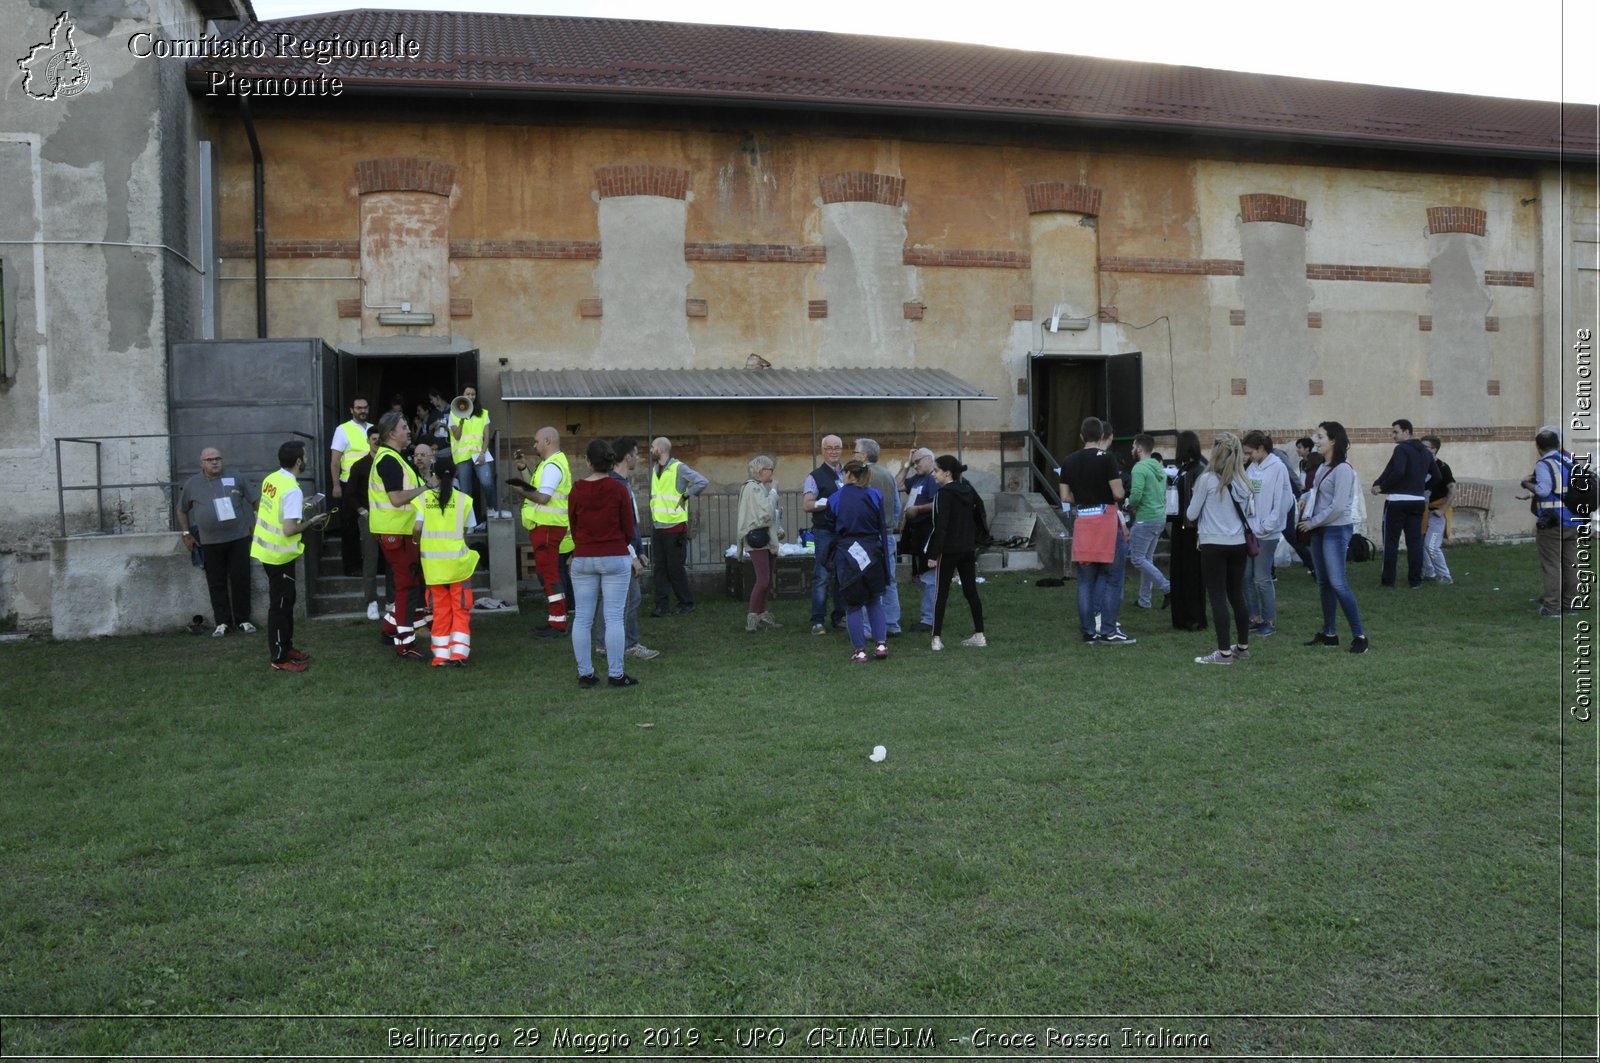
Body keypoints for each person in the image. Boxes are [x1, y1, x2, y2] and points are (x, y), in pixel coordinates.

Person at [569, 438, 640, 688]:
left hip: (584, 556)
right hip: (614, 555)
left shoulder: (577, 489)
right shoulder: (619, 489)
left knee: (582, 618)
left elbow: (574, 525)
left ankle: (585, 674)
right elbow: (628, 527)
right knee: (614, 618)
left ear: (588, 462)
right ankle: (616, 674)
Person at [250, 440, 327, 672]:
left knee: (286, 602)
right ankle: (280, 657)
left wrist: (299, 505)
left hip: (267, 551)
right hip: (279, 555)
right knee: (281, 607)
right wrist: (311, 521)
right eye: (306, 455)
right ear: (299, 461)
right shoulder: (292, 489)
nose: (308, 459)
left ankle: (286, 646)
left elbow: (276, 509)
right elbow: (290, 529)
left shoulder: (272, 479)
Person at [1060, 416, 1133, 644]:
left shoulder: (1069, 461)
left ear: (1081, 436)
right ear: (1101, 436)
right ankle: (1109, 630)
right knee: (1112, 578)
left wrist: (1082, 497)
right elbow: (1119, 493)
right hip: (1105, 520)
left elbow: (1064, 496)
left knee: (1085, 580)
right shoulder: (1107, 459)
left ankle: (1088, 631)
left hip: (1083, 519)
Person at [1185, 432, 1256, 665]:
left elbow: (1191, 514)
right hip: (1238, 545)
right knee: (1237, 594)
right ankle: (1242, 647)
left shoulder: (1207, 480)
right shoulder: (1244, 480)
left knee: (1217, 596)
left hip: (1213, 544)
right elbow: (1250, 514)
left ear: (1215, 451)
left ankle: (1224, 653)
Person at [1298, 420, 1369, 653]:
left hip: (1335, 529)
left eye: (1319, 437)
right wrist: (1305, 499)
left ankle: (1360, 636)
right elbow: (1318, 493)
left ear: (1333, 441)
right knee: (1324, 582)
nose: (1314, 441)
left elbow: (1338, 507)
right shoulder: (1323, 466)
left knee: (1338, 583)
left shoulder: (1343, 469)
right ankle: (1330, 633)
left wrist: (1312, 523)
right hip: (1319, 529)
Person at [177, 446, 258, 637]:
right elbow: (181, 509)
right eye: (210, 459)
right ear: (202, 463)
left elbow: (255, 499)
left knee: (241, 579)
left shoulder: (236, 477)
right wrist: (187, 533)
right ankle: (222, 622)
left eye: (218, 458)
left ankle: (243, 620)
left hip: (238, 538)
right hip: (210, 542)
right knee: (216, 582)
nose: (214, 462)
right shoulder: (192, 484)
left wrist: (257, 524)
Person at [368, 411, 430, 660]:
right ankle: (404, 643)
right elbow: (396, 498)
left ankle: (390, 629)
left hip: (397, 531)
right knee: (406, 586)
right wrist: (426, 486)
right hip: (395, 531)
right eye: (404, 427)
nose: (408, 431)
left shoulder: (394, 458)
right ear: (392, 433)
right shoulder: (389, 460)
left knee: (409, 583)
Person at [595, 437, 660, 661]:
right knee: (631, 598)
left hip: (626, 549)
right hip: (621, 552)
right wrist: (632, 554)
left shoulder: (622, 483)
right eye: (636, 453)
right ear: (628, 457)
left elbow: (632, 521)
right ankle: (629, 644)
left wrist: (640, 549)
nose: (639, 458)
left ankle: (604, 644)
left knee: (612, 599)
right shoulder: (616, 485)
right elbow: (618, 525)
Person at [512, 426, 575, 638]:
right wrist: (522, 471)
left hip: (548, 527)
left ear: (548, 441)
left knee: (550, 574)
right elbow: (538, 489)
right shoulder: (551, 464)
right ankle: (556, 619)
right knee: (548, 574)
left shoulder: (552, 466)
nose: (534, 445)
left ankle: (558, 624)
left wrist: (519, 490)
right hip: (546, 526)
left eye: (536, 441)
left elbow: (542, 497)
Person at [418, 455, 478, 667]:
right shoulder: (465, 500)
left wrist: (421, 541)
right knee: (460, 610)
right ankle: (459, 654)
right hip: (458, 567)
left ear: (434, 475)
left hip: (434, 569)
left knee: (440, 612)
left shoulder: (423, 499)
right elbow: (466, 531)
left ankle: (441, 656)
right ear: (456, 474)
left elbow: (417, 528)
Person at [924, 455, 988, 651]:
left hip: (949, 550)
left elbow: (941, 526)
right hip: (967, 548)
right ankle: (980, 635)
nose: (933, 474)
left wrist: (934, 554)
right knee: (971, 592)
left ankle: (936, 638)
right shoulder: (967, 489)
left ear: (947, 473)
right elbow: (981, 510)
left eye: (936, 471)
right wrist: (978, 538)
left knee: (941, 592)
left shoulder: (943, 494)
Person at [829, 459, 891, 662]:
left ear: (847, 474)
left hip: (847, 554)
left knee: (853, 605)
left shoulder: (835, 498)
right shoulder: (875, 495)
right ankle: (881, 644)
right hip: (872, 552)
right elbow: (881, 524)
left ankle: (860, 650)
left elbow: (832, 527)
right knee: (874, 600)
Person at [1521, 426, 1583, 617]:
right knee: (1571, 563)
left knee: (1552, 564)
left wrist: (1526, 483)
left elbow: (1543, 490)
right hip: (1573, 520)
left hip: (1553, 522)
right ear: (1558, 444)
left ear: (1538, 447)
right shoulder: (1569, 461)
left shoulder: (1544, 464)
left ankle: (1552, 606)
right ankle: (1571, 604)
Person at [1371, 418, 1437, 589]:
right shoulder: (1425, 452)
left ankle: (1388, 581)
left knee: (1391, 541)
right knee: (1414, 541)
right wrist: (1420, 488)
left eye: (1395, 432)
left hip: (1397, 501)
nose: (1392, 435)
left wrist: (1382, 487)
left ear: (1407, 432)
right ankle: (1415, 581)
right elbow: (1437, 476)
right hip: (1417, 502)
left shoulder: (1401, 449)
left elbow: (1397, 471)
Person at [1241, 429, 1295, 637]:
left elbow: (1283, 500)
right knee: (1246, 576)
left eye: (1249, 452)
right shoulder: (1253, 467)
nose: (1247, 457)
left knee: (1261, 578)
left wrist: (1268, 525)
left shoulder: (1277, 468)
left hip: (1266, 532)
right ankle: (1254, 617)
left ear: (1261, 449)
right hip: (1250, 530)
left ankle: (1269, 619)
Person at [647, 436, 709, 616]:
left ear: (661, 449)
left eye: (652, 447)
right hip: (658, 526)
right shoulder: (654, 469)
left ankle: (686, 602)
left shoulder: (678, 468)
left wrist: (687, 495)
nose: (650, 450)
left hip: (675, 527)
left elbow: (702, 481)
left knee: (675, 568)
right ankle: (661, 606)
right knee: (659, 568)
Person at [855, 438, 903, 635]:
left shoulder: (861, 475)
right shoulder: (888, 475)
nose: (854, 456)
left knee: (867, 580)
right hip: (888, 534)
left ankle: (869, 627)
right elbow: (897, 505)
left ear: (864, 456)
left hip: (867, 536)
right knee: (889, 580)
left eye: (856, 452)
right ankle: (892, 624)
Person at [803, 434, 847, 634]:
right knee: (822, 575)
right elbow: (807, 505)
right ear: (822, 451)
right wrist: (829, 502)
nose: (833, 451)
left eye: (836, 447)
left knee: (843, 575)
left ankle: (840, 616)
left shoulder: (849, 473)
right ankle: (817, 621)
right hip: (824, 532)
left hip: (845, 531)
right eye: (829, 448)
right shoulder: (814, 476)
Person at [1125, 434, 1171, 610]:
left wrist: (1129, 505)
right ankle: (1145, 600)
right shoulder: (1158, 468)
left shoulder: (1139, 468)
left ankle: (1167, 587)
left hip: (1146, 518)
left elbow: (1136, 494)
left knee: (1137, 559)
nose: (1131, 450)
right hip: (1160, 517)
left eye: (1133, 447)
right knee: (1147, 559)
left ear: (1139, 449)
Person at [738, 454, 784, 632]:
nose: (772, 472)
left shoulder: (757, 488)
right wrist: (773, 491)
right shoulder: (754, 488)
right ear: (761, 471)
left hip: (766, 538)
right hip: (758, 539)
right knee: (763, 580)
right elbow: (765, 511)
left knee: (767, 579)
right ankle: (752, 616)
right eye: (770, 469)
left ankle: (763, 614)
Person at [346, 426, 388, 621]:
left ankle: (392, 601)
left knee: (392, 560)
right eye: (374, 439)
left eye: (380, 439)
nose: (377, 442)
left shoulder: (390, 462)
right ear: (368, 440)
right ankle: (371, 601)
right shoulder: (360, 465)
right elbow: (350, 492)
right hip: (369, 518)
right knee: (370, 560)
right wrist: (361, 511)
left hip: (390, 517)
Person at [1168, 431, 1208, 631]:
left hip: (1191, 529)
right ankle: (1182, 615)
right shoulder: (1184, 469)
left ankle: (1194, 617)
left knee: (1192, 574)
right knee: (1180, 573)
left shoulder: (1198, 469)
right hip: (1180, 526)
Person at [328, 397, 372, 576]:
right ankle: (352, 567)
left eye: (365, 407)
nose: (362, 410)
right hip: (349, 485)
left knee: (374, 526)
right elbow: (335, 461)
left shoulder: (373, 429)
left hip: (371, 485)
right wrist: (336, 485)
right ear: (351, 410)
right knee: (350, 527)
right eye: (359, 407)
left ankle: (376, 565)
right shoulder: (342, 429)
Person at [897, 447, 939, 632]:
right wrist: (906, 464)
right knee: (923, 574)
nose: (915, 466)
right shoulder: (917, 478)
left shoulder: (933, 478)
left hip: (928, 531)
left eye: (917, 462)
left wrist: (919, 509)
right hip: (915, 532)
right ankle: (927, 617)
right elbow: (896, 485)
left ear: (930, 459)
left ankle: (929, 619)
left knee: (931, 575)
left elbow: (939, 503)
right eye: (913, 463)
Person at [449, 384, 499, 526]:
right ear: (462, 396)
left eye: (473, 394)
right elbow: (457, 436)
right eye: (468, 394)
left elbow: (486, 436)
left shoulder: (483, 413)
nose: (471, 396)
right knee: (465, 491)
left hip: (479, 454)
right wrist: (462, 420)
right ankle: (468, 523)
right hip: (462, 457)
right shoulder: (453, 413)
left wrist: (483, 453)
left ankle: (491, 508)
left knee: (487, 482)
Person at [1419, 435, 1456, 584]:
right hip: (1422, 511)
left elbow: (1453, 490)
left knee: (1431, 545)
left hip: (1436, 512)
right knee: (1421, 544)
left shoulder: (1442, 467)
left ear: (1434, 449)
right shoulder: (1419, 466)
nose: (1421, 450)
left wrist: (1442, 510)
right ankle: (1428, 572)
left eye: (1425, 447)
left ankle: (1445, 576)